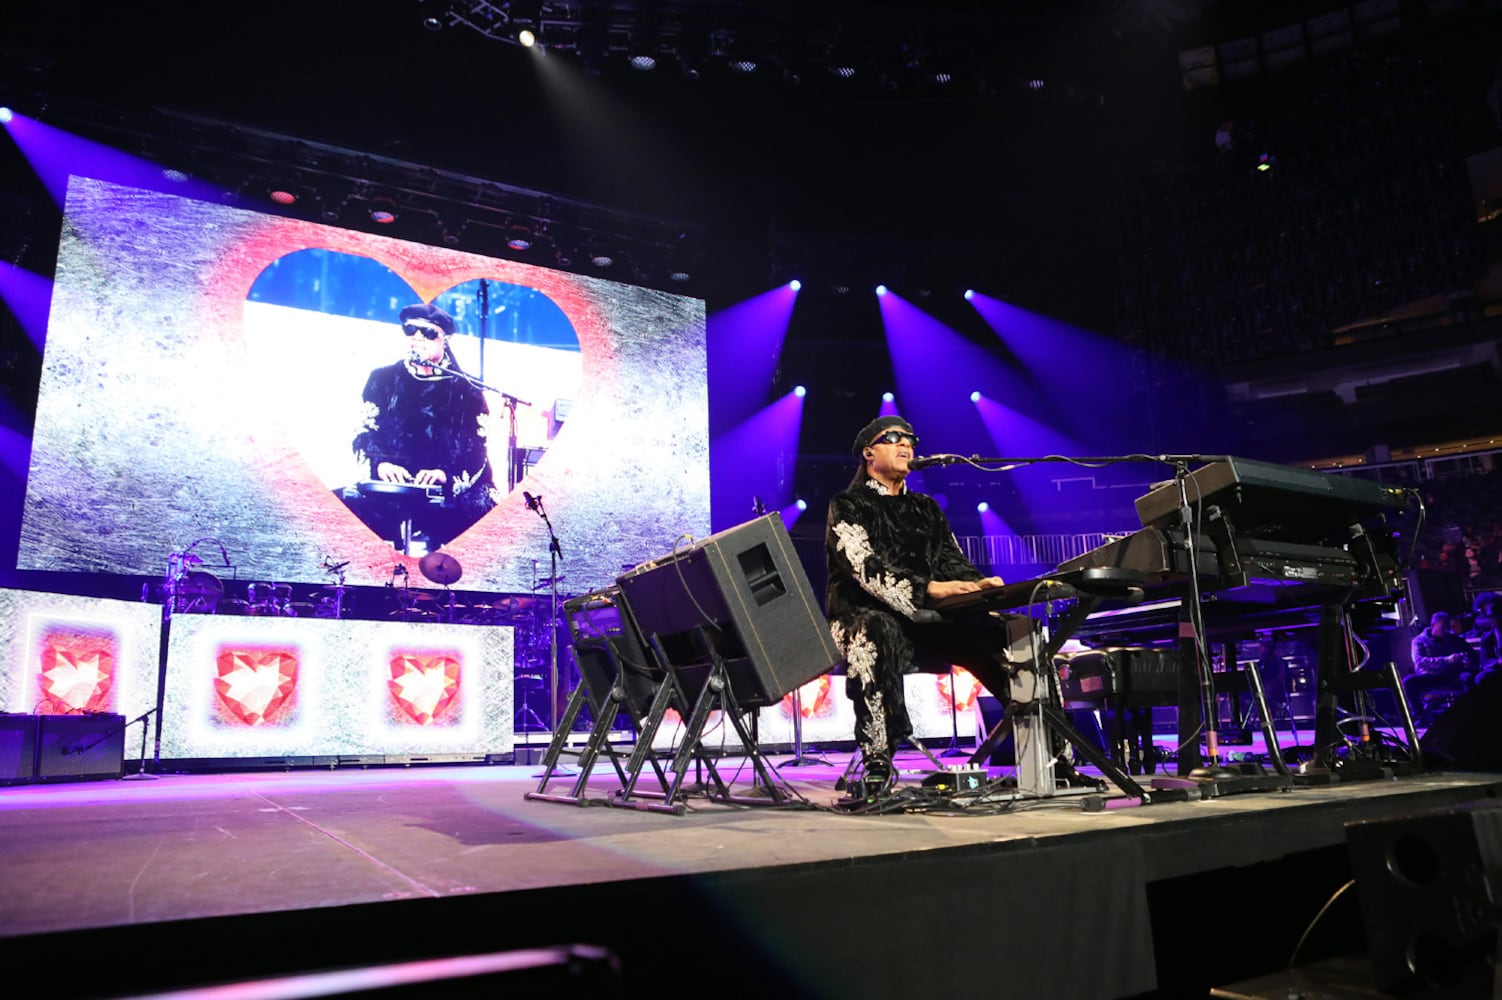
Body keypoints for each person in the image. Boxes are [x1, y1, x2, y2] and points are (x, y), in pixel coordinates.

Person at [824, 415, 1018, 785]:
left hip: (928, 621)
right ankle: (878, 759)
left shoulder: (926, 508)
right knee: (876, 628)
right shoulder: (848, 504)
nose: (906, 445)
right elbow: (864, 568)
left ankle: (1053, 750)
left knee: (1007, 632)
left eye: (911, 439)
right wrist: (928, 589)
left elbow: (951, 561)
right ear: (868, 452)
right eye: (893, 438)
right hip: (858, 618)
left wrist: (978, 586)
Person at [343, 303, 497, 554]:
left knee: (480, 520)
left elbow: (476, 450)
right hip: (392, 483)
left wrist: (445, 475)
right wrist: (381, 464)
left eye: (427, 333)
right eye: (411, 330)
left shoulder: (467, 391)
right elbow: (365, 430)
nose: (417, 338)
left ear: (444, 340)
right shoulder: (382, 379)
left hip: (449, 486)